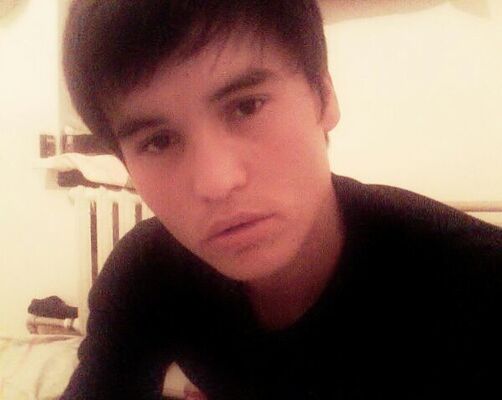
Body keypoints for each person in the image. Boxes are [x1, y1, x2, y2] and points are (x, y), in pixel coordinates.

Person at [61, 1, 502, 399]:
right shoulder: (145, 273)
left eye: (247, 106)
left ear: (324, 97)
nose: (217, 182)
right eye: (158, 141)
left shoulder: (476, 284)